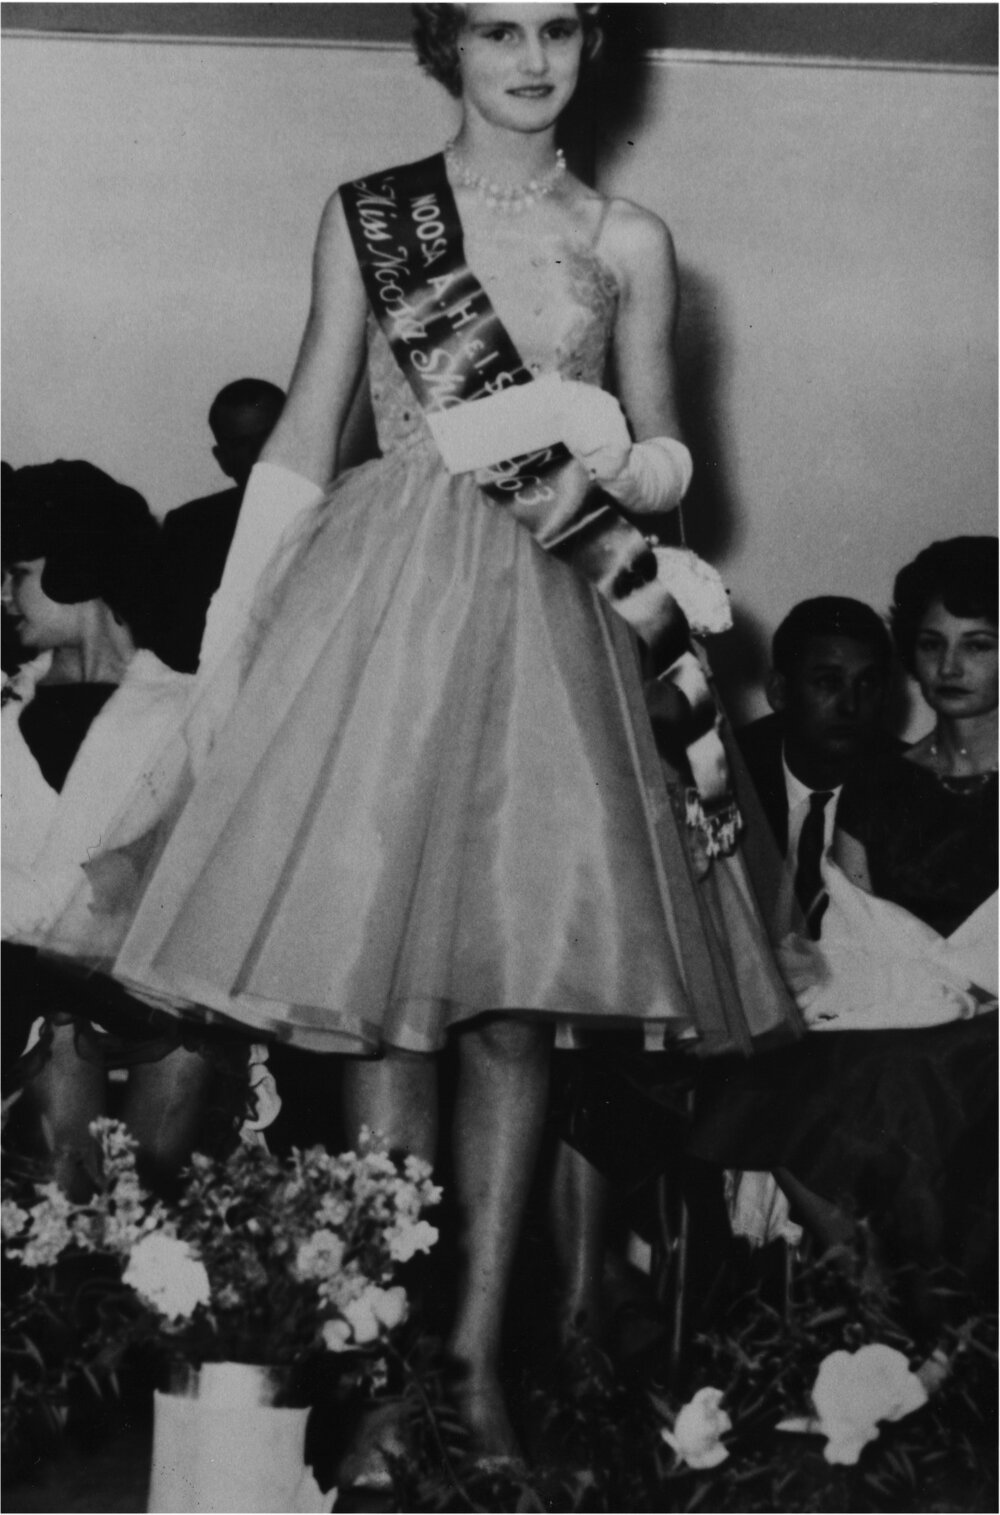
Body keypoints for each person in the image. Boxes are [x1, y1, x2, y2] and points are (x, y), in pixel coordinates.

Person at [35, 3, 797, 1461]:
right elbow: (310, 427)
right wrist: (236, 648)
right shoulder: (372, 214)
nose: (529, 58)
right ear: (443, 46)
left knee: (514, 1008)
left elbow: (669, 463)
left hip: (557, 617)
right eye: (495, 28)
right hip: (382, 619)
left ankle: (476, 1368)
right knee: (389, 1001)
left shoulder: (631, 236)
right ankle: (387, 1366)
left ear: (594, 45)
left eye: (558, 27)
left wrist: (599, 439)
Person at [691, 537, 998, 1295]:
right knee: (762, 1085)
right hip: (893, 1015)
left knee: (908, 1080)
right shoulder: (877, 785)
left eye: (978, 645)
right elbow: (850, 940)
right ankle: (880, 1312)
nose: (950, 667)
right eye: (931, 645)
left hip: (986, 1027)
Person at [2, 461, 253, 1198]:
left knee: (187, 1034)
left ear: (79, 568)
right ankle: (70, 1256)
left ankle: (128, 1264)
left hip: (142, 998)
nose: (4, 594)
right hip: (20, 1002)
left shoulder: (187, 711)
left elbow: (166, 889)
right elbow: (99, 894)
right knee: (61, 1028)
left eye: (18, 571)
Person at [737, 596, 898, 936]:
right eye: (828, 681)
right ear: (779, 691)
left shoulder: (917, 787)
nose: (850, 705)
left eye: (867, 683)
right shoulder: (728, 774)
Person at [153, 379, 285, 672]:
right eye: (241, 444)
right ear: (222, 459)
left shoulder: (344, 507)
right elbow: (181, 647)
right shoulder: (191, 529)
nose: (259, 454)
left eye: (270, 436)